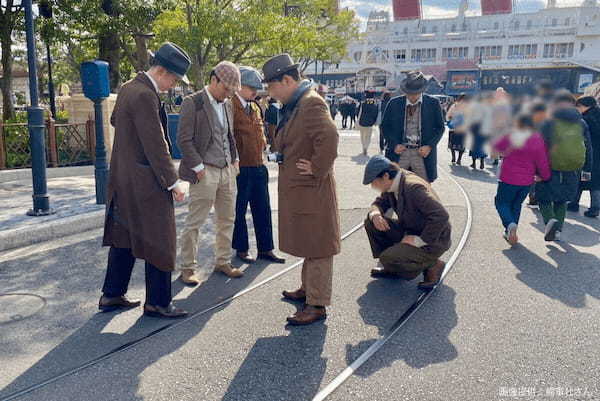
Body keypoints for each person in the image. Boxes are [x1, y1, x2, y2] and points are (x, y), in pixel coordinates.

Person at [99, 42, 191, 318]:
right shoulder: (145, 96)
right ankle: (158, 302)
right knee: (161, 238)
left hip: (122, 179)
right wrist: (173, 182)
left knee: (124, 236)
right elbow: (156, 145)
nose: (172, 85)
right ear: (162, 70)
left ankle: (112, 294)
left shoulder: (128, 88)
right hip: (145, 183)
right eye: (173, 78)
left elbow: (116, 120)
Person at [262, 54, 340, 326]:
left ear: (287, 80)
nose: (270, 93)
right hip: (303, 189)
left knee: (318, 246)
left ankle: (317, 304)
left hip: (312, 189)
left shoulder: (309, 104)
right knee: (310, 241)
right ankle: (308, 290)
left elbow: (329, 137)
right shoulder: (297, 103)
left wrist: (317, 168)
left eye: (272, 87)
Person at [177, 61, 243, 285]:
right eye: (226, 89)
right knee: (195, 221)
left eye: (232, 91)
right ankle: (187, 267)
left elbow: (229, 134)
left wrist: (234, 159)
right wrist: (198, 167)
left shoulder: (227, 103)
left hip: (227, 170)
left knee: (227, 218)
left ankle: (222, 261)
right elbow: (184, 140)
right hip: (204, 171)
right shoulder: (192, 102)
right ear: (213, 79)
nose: (228, 95)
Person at [362, 155, 451, 289]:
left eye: (374, 182)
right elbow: (379, 203)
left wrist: (418, 240)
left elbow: (441, 216)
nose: (373, 186)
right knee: (371, 222)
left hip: (432, 239)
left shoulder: (413, 187)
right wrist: (375, 214)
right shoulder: (393, 182)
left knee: (388, 257)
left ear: (385, 176)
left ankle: (433, 264)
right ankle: (393, 264)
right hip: (411, 229)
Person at [231, 66, 285, 265]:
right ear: (238, 85)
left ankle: (266, 248)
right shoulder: (230, 106)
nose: (255, 91)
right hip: (240, 167)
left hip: (258, 164)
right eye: (250, 87)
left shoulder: (254, 107)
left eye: (256, 87)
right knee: (239, 210)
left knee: (263, 209)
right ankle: (242, 248)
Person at [536, 91, 593, 242]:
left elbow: (539, 146)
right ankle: (558, 230)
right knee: (562, 200)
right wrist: (587, 168)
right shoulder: (581, 122)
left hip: (550, 165)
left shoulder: (548, 122)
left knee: (543, 198)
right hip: (573, 167)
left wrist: (536, 170)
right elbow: (588, 147)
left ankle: (550, 222)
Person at [493, 114, 551, 246]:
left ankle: (510, 225)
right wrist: (545, 176)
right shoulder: (537, 138)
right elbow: (542, 161)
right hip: (526, 180)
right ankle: (510, 231)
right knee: (516, 204)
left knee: (501, 202)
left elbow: (497, 147)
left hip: (508, 177)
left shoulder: (510, 135)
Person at [380, 71, 445, 183]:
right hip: (399, 153)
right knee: (394, 185)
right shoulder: (394, 103)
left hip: (422, 154)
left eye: (416, 93)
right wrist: (394, 144)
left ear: (422, 90)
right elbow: (385, 126)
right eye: (409, 93)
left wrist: (429, 146)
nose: (413, 96)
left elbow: (440, 128)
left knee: (424, 188)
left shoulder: (433, 103)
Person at [569, 96, 600, 217]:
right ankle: (595, 207)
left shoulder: (585, 119)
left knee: (580, 178)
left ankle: (573, 203)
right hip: (598, 155)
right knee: (595, 182)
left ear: (585, 106)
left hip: (587, 152)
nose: (578, 109)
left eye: (579, 106)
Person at [446, 93, 469, 165]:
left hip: (454, 128)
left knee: (452, 143)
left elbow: (448, 115)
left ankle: (453, 158)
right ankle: (459, 159)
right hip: (463, 129)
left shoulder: (454, 105)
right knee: (462, 145)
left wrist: (449, 121)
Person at [357, 90, 380, 156]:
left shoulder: (362, 104)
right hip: (370, 123)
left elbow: (357, 112)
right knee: (368, 137)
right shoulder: (375, 104)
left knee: (362, 136)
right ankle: (366, 148)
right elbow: (376, 114)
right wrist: (374, 121)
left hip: (362, 122)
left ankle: (363, 147)